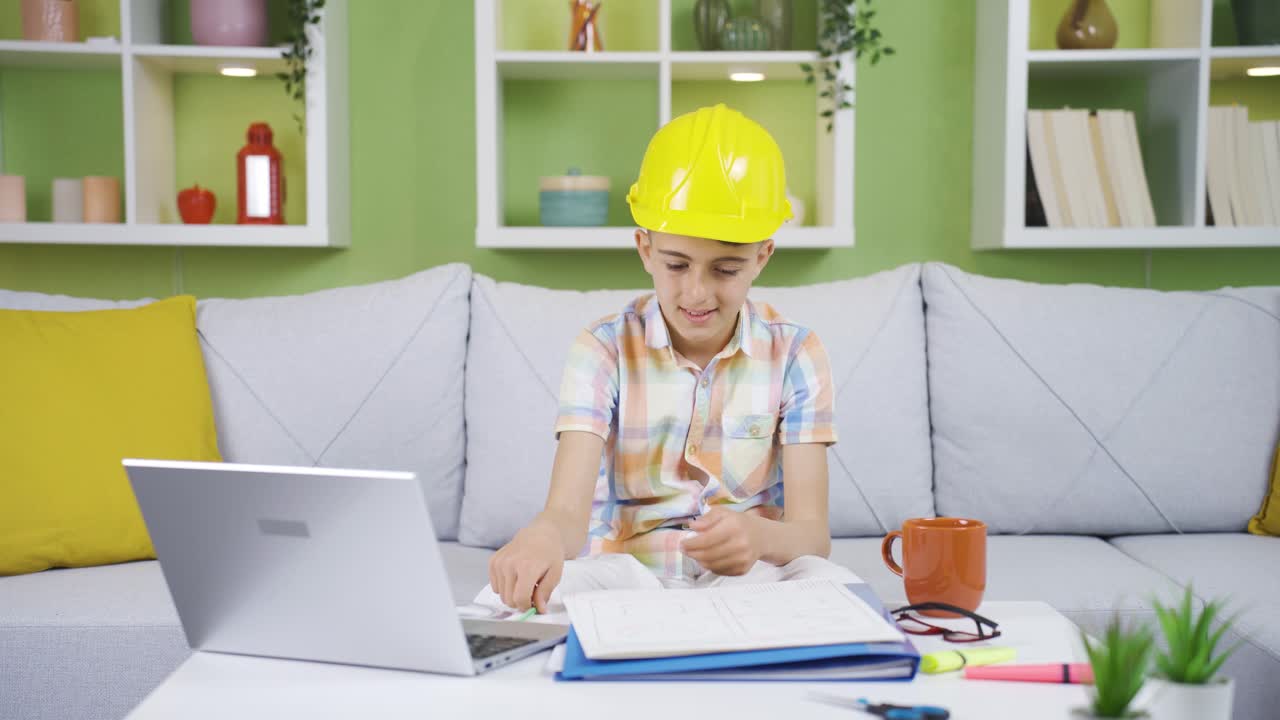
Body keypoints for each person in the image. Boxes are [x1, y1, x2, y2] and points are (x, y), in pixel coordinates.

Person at [483, 104, 857, 615]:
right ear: (644, 248)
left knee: (831, 585)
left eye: (726, 269)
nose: (697, 292)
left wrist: (759, 536)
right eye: (676, 264)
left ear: (762, 256)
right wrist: (543, 536)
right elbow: (566, 512)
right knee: (505, 604)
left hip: (752, 578)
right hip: (625, 575)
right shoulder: (603, 350)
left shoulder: (795, 352)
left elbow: (811, 534)